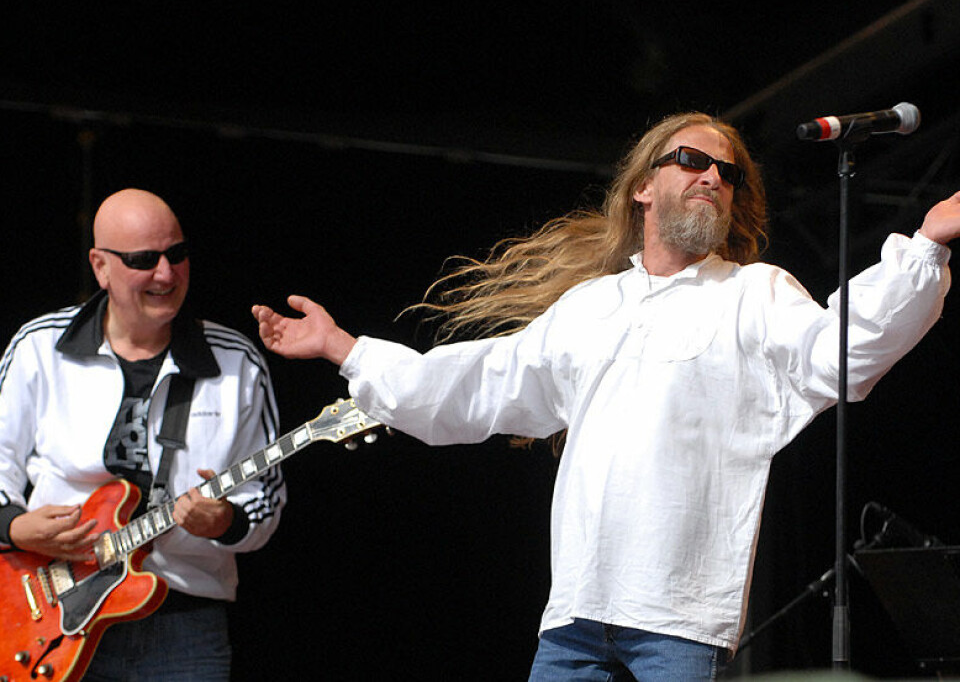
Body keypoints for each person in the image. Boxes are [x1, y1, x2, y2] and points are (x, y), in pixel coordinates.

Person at [252, 112, 960, 680]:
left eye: (729, 172)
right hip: (575, 615)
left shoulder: (753, 293)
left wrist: (925, 245)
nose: (713, 176)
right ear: (643, 187)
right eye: (693, 159)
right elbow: (478, 385)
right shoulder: (591, 306)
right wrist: (343, 347)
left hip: (679, 620)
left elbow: (839, 352)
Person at [0, 188, 286, 681]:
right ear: (100, 266)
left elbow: (267, 499)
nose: (166, 274)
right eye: (143, 260)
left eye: (177, 254)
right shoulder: (40, 347)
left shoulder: (236, 361)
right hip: (48, 615)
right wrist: (13, 526)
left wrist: (226, 521)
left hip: (183, 624)